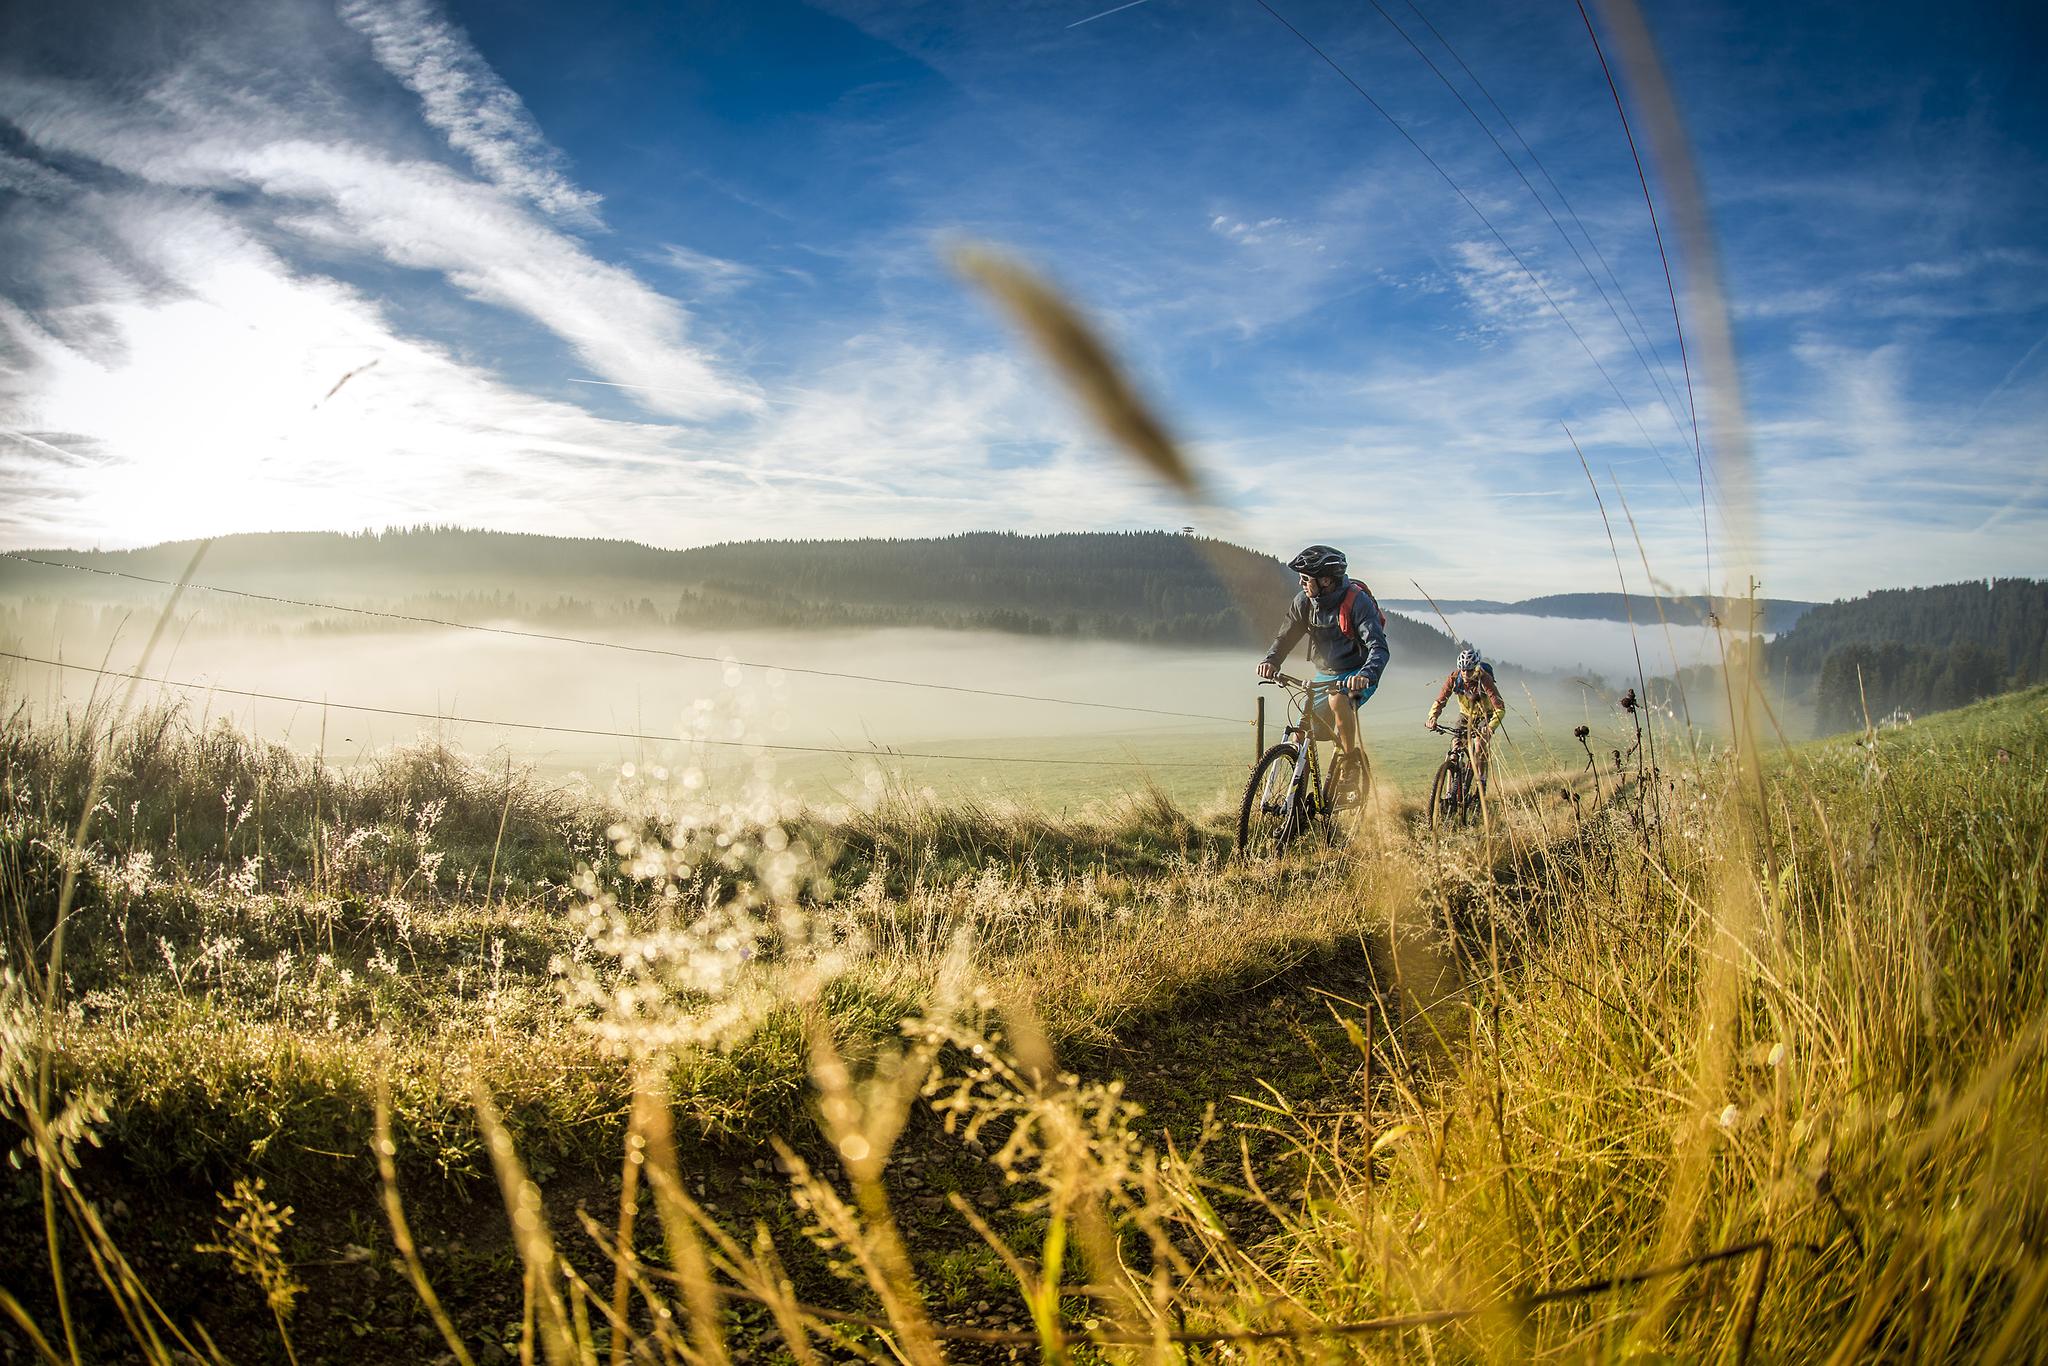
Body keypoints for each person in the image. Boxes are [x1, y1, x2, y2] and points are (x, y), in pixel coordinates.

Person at [1257, 544, 1389, 767]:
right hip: (1325, 674)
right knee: (1300, 735)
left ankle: (1349, 763)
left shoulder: (1357, 602)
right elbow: (1285, 638)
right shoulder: (1304, 602)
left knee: (1338, 699)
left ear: (1326, 580)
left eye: (1306, 578)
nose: (1301, 583)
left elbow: (1378, 647)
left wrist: (1366, 673)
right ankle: (1296, 796)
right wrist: (1271, 660)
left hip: (1358, 672)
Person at [1426, 646, 1506, 790]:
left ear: (1475, 668)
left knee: (1478, 744)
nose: (1465, 673)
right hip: (1465, 716)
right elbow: (1440, 700)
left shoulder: (1485, 679)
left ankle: (1481, 781)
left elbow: (1500, 708)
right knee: (1455, 748)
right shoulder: (1454, 678)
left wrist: (1489, 728)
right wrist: (1432, 717)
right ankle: (1450, 790)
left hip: (1484, 715)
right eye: (1463, 669)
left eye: (1469, 670)